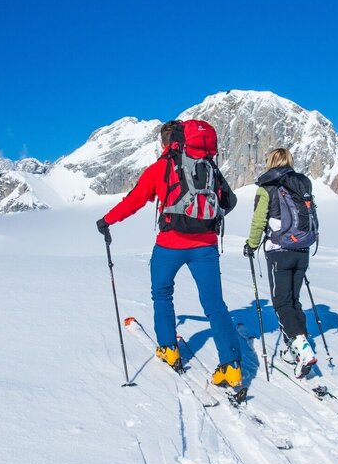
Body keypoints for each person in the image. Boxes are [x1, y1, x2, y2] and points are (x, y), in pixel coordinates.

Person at [96, 119, 243, 388]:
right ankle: (231, 367)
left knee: (162, 293)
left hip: (170, 244)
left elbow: (134, 201)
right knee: (214, 304)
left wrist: (107, 220)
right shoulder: (208, 165)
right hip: (206, 245)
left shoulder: (160, 168)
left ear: (164, 142)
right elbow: (229, 201)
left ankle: (169, 349)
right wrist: (205, 217)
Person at [243, 147, 318, 379]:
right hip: (302, 249)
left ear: (271, 162)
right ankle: (295, 348)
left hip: (279, 251)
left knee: (282, 303)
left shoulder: (267, 188)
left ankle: (303, 351)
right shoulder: (302, 184)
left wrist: (251, 244)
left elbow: (259, 221)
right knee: (294, 301)